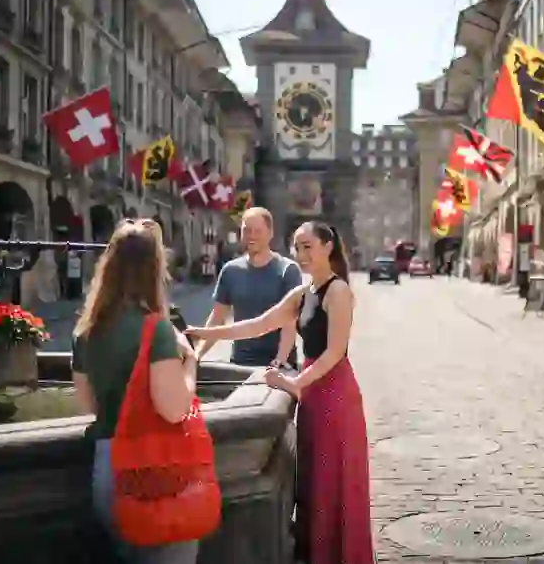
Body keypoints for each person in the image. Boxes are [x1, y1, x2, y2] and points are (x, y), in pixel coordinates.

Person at [186, 222, 375, 564]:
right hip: (313, 392)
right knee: (314, 478)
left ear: (327, 246)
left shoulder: (339, 292)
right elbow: (257, 324)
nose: (300, 255)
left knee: (335, 478)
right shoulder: (302, 293)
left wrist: (293, 384)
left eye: (307, 247)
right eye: (296, 248)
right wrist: (200, 331)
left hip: (335, 394)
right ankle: (317, 552)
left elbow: (334, 353)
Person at [71, 218, 200, 563]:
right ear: (154, 268)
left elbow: (87, 403)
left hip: (106, 473)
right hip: (154, 475)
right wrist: (190, 363)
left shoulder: (85, 331)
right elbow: (175, 409)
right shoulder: (156, 329)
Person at [195, 207, 303, 368]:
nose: (252, 236)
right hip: (241, 362)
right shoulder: (230, 271)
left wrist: (280, 362)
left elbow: (289, 325)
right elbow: (217, 317)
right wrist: (197, 354)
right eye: (247, 230)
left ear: (270, 233)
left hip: (278, 365)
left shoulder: (288, 270)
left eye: (258, 231)